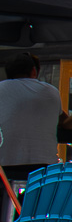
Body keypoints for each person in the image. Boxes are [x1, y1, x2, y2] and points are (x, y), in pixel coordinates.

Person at [0, 53, 61, 190]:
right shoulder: (52, 91)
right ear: (34, 71)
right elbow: (63, 120)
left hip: (6, 165)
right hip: (44, 168)